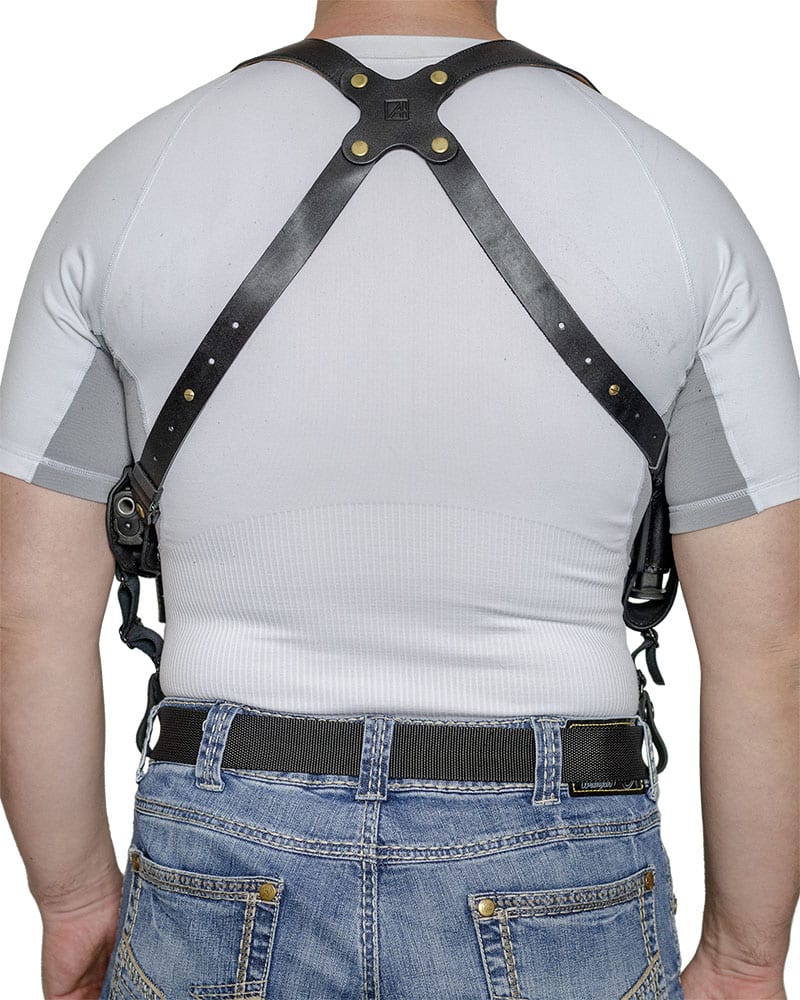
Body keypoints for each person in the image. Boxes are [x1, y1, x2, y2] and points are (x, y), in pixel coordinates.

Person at [1, 1, 797, 997]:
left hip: (221, 850)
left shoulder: (129, 182)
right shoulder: (678, 200)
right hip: (555, 860)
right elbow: (769, 649)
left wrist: (74, 901)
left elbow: (26, 615)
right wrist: (745, 956)